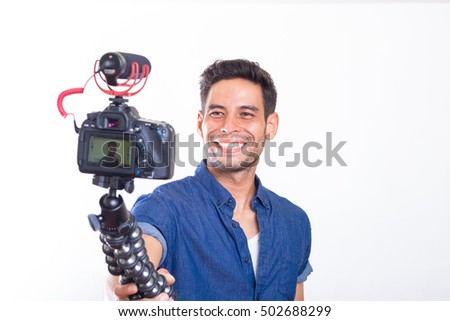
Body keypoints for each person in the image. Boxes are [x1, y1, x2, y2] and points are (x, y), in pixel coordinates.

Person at [108, 59, 313, 301]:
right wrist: (127, 289)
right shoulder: (163, 206)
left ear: (271, 125)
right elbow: (134, 260)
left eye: (246, 114)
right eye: (217, 113)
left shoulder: (294, 221)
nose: (228, 127)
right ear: (200, 122)